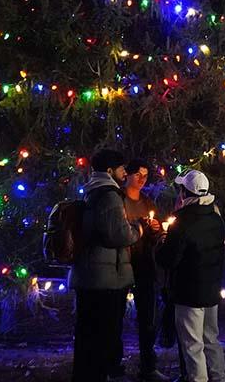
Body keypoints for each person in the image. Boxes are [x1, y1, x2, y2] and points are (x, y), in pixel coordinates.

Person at [70, 150, 143, 382]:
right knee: (104, 333)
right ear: (110, 171)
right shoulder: (109, 195)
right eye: (122, 168)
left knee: (87, 333)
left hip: (90, 275)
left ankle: (86, 374)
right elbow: (117, 235)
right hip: (105, 279)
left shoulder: (92, 192)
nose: (125, 172)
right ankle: (98, 375)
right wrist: (138, 229)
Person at [156, 170, 225, 382]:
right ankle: (219, 377)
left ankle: (198, 379)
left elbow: (168, 259)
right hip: (211, 290)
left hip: (189, 292)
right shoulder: (215, 218)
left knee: (192, 344)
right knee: (211, 339)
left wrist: (162, 241)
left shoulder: (183, 221)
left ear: (185, 193)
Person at [120, 159, 170, 381]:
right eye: (138, 174)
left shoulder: (147, 202)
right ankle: (114, 365)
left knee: (147, 319)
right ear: (127, 175)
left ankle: (148, 366)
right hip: (120, 266)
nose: (142, 179)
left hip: (144, 266)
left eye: (146, 176)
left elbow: (154, 234)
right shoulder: (118, 201)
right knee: (115, 318)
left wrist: (157, 230)